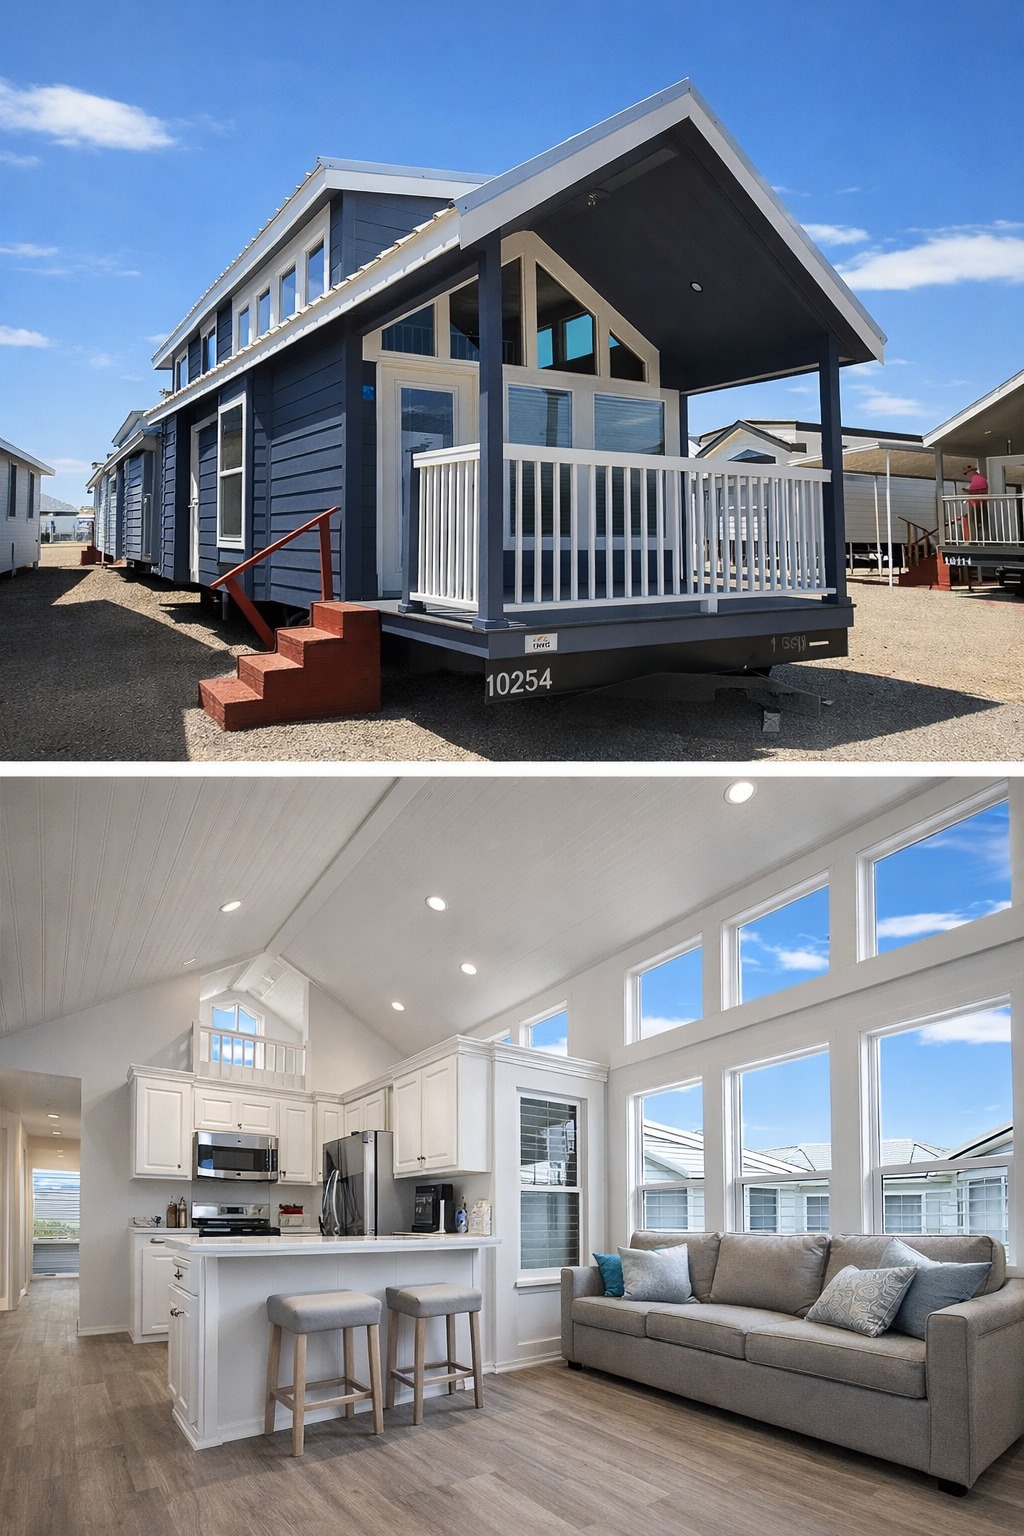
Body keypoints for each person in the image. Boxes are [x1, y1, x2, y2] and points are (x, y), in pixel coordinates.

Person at [963, 464, 989, 540]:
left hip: (975, 503)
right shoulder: (981, 478)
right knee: (983, 521)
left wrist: (967, 491)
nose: (967, 475)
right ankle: (985, 538)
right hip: (982, 503)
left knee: (972, 521)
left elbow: (974, 490)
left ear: (971, 472)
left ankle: (973, 539)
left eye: (967, 473)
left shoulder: (976, 479)